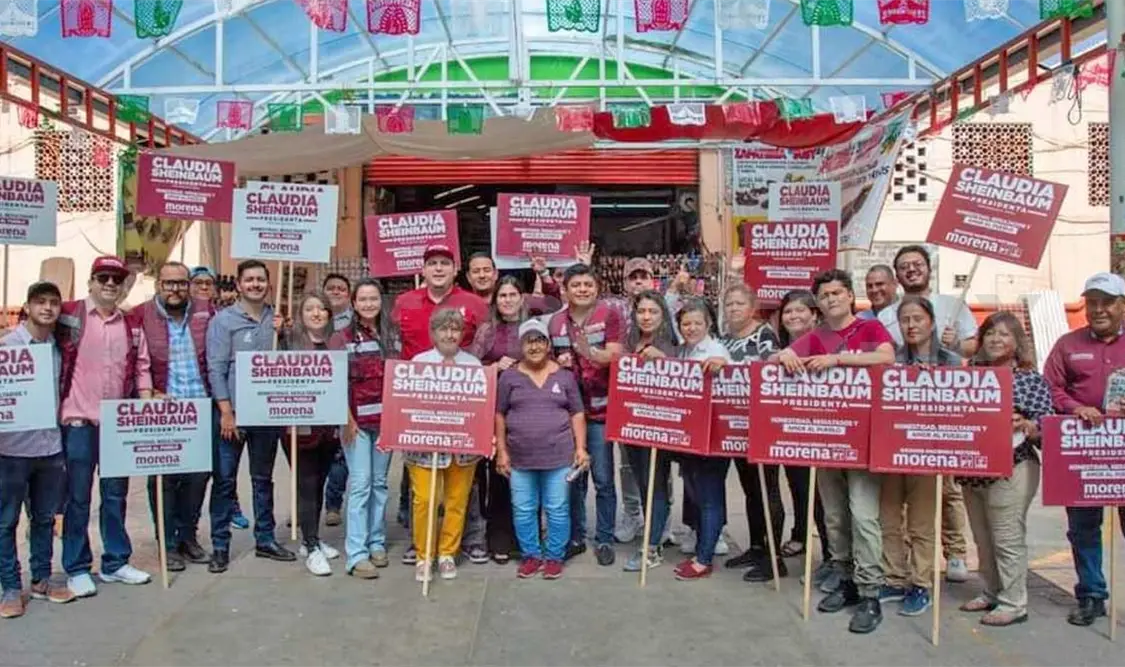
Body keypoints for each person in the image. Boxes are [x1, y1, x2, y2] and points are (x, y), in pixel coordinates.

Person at [773, 269, 895, 634]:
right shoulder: (816, 336)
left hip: (862, 440)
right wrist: (784, 356)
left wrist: (838, 360)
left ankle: (870, 591)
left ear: (850, 295)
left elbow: (886, 359)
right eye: (824, 296)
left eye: (837, 293)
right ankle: (845, 579)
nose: (830, 300)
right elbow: (777, 360)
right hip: (826, 442)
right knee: (835, 517)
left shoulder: (870, 329)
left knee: (863, 516)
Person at [58, 256, 155, 598]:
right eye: (103, 277)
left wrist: (145, 399)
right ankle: (77, 567)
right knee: (77, 499)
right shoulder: (71, 315)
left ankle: (115, 562)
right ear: (91, 281)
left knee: (115, 496)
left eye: (117, 279)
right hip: (78, 422)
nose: (110, 284)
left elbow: (142, 366)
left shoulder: (131, 325)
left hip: (117, 425)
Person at [884, 245, 975, 584]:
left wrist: (954, 346)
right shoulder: (888, 323)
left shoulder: (954, 306)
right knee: (900, 510)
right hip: (902, 436)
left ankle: (955, 554)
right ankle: (903, 566)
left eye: (916, 264)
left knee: (948, 494)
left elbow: (974, 347)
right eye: (904, 266)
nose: (911, 270)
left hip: (940, 432)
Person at [1042, 271, 1125, 627]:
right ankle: (1091, 595)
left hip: (1120, 451)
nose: (1099, 309)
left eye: (1107, 302)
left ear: (1122, 305)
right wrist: (1076, 408)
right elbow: (1049, 387)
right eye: (1092, 302)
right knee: (1083, 527)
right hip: (1081, 451)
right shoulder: (1067, 344)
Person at [959, 311, 1052, 626]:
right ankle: (992, 591)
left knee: (1006, 536)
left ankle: (1014, 603)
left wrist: (1027, 424)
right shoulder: (968, 374)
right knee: (982, 537)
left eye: (1004, 334)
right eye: (990, 333)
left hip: (1014, 467)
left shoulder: (1030, 380)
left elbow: (1046, 425)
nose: (996, 340)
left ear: (1017, 342)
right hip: (972, 468)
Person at [206, 259, 294, 573]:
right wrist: (226, 411)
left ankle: (266, 538)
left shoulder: (276, 320)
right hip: (234, 414)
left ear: (269, 284)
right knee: (225, 481)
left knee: (262, 480)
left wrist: (284, 335)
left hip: (266, 414)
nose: (255, 284)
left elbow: (286, 364)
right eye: (249, 280)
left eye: (260, 280)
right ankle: (219, 545)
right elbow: (216, 368)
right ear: (240, 285)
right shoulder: (224, 321)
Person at [126, 262, 214, 573]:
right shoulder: (140, 314)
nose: (174, 289)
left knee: (198, 477)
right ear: (158, 285)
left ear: (189, 284)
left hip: (200, 408)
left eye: (180, 283)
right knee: (163, 479)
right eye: (168, 283)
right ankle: (167, 542)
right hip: (163, 411)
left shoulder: (205, 311)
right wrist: (147, 394)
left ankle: (188, 536)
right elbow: (134, 359)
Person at [879, 295, 962, 617]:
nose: (911, 325)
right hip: (893, 449)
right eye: (905, 320)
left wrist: (937, 382)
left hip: (929, 453)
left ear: (931, 321)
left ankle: (921, 583)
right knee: (888, 518)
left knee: (922, 523)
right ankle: (894, 577)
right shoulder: (891, 361)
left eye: (917, 318)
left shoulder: (951, 361)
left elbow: (963, 408)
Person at [0, 282, 75, 618]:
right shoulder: (7, 348)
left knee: (44, 518)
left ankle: (41, 579)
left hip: (50, 447)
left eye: (53, 303)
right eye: (40, 302)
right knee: (5, 522)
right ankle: (11, 587)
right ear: (27, 307)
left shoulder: (59, 348)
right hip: (11, 450)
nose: (47, 308)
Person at [495, 319, 589, 580]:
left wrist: (580, 448)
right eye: (529, 341)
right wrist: (501, 451)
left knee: (557, 508)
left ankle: (554, 557)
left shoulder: (565, 376)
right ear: (520, 345)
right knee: (523, 508)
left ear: (548, 344)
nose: (534, 346)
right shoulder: (509, 378)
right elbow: (500, 415)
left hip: (558, 456)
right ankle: (531, 556)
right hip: (519, 457)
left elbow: (577, 413)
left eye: (539, 340)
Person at [548, 263, 625, 566]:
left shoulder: (610, 315)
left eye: (588, 284)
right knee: (573, 480)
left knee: (603, 479)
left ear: (597, 287)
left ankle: (604, 538)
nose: (582, 289)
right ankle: (575, 537)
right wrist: (559, 363)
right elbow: (547, 363)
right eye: (576, 284)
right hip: (566, 414)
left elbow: (616, 355)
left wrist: (588, 352)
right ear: (565, 290)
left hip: (601, 412)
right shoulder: (554, 323)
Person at [405, 309, 484, 582]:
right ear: (433, 332)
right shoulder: (419, 362)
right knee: (425, 499)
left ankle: (448, 552)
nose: (449, 334)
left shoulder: (472, 365)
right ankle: (424, 555)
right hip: (425, 447)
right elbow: (407, 404)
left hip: (462, 449)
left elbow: (479, 408)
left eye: (455, 329)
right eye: (443, 329)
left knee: (457, 501)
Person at [331, 278, 399, 579]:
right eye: (363, 299)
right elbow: (336, 381)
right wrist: (346, 418)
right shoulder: (341, 337)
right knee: (360, 484)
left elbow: (399, 378)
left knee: (381, 483)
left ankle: (377, 542)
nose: (369, 304)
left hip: (385, 422)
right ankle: (356, 554)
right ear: (354, 303)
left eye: (374, 298)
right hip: (355, 424)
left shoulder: (392, 335)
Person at [718, 284, 785, 583]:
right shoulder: (725, 339)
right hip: (735, 426)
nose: (733, 309)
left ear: (752, 306)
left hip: (761, 423)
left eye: (738, 304)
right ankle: (756, 546)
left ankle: (775, 556)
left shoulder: (765, 335)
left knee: (767, 488)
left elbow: (772, 368)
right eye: (728, 304)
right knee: (750, 490)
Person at [279, 292, 342, 576]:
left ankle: (309, 538)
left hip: (327, 427)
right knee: (306, 484)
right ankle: (312, 547)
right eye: (310, 309)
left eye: (322, 309)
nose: (316, 314)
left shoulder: (336, 344)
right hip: (298, 426)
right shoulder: (287, 343)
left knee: (319, 483)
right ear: (301, 314)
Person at [466, 276, 529, 564]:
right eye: (502, 295)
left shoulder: (532, 328)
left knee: (520, 475)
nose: (507, 299)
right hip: (490, 412)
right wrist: (493, 366)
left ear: (521, 297)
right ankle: (495, 537)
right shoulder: (487, 331)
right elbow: (469, 368)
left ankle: (522, 536)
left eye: (512, 294)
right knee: (493, 476)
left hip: (525, 412)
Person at [670, 298, 731, 581]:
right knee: (696, 492)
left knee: (709, 497)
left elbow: (730, 381)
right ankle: (701, 548)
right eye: (686, 323)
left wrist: (722, 365)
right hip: (690, 437)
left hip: (712, 438)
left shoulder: (716, 351)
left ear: (708, 324)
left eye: (697, 323)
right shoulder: (684, 350)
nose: (691, 328)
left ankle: (704, 559)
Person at [619, 290, 678, 573]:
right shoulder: (628, 342)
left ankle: (651, 547)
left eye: (652, 311)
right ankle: (653, 534)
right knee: (643, 483)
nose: (646, 316)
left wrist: (665, 360)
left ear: (662, 314)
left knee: (656, 484)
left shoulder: (671, 344)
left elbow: (686, 380)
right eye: (641, 311)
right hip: (632, 423)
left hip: (661, 425)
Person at [320, 273, 354, 529]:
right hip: (317, 391)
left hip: (346, 391)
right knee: (315, 453)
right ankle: (305, 505)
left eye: (341, 289)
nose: (335, 292)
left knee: (341, 454)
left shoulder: (355, 322)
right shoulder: (313, 315)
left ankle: (333, 503)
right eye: (330, 288)